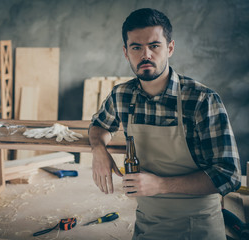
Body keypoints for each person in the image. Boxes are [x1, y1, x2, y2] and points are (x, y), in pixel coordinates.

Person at [88, 8, 241, 239]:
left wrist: (161, 185)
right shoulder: (122, 96)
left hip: (198, 226)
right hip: (147, 223)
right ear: (126, 52)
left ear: (169, 48)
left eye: (154, 45)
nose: (145, 54)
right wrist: (98, 148)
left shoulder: (202, 100)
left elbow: (229, 175)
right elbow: (99, 125)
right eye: (136, 47)